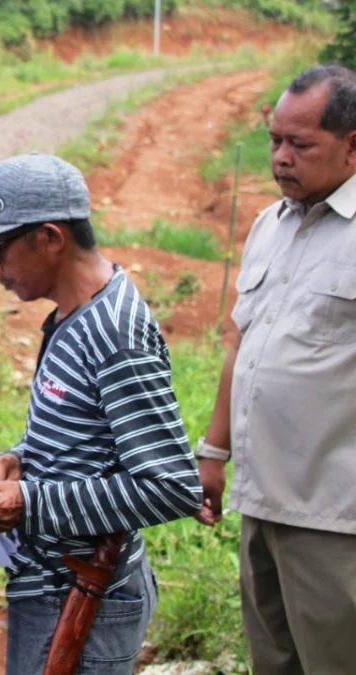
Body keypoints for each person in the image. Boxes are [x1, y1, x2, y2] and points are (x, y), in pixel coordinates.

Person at [0, 152, 202, 675]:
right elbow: (86, 438)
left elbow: (170, 484)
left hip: (86, 598)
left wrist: (30, 502)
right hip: (54, 587)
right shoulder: (69, 316)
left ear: (51, 238)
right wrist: (19, 460)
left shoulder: (115, 334)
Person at [196, 64, 356, 674]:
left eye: (301, 144)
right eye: (274, 141)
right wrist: (214, 452)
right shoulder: (270, 225)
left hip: (334, 517)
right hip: (261, 501)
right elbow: (243, 343)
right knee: (275, 662)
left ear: (352, 144)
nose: (281, 158)